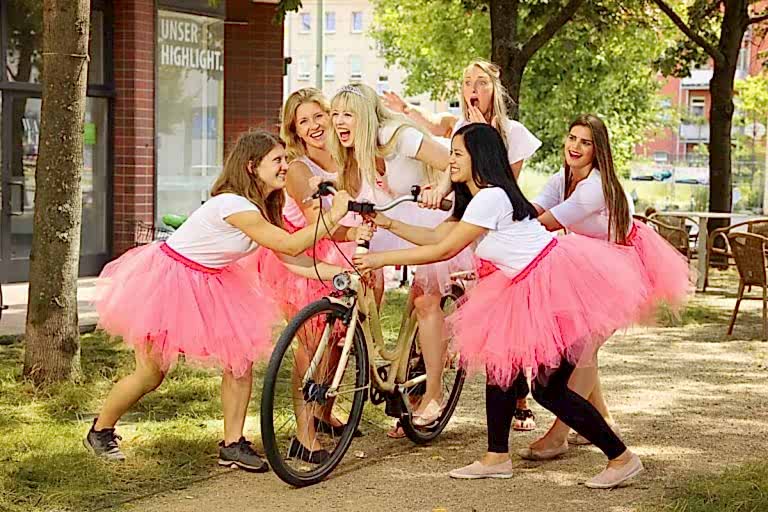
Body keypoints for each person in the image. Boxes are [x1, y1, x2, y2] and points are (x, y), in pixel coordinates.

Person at [354, 123, 646, 488]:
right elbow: (435, 235)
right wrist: (386, 221)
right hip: (524, 284)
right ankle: (496, 456)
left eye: (457, 154)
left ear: (480, 157)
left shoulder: (491, 198)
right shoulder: (479, 200)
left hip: (551, 289)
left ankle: (621, 458)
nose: (451, 161)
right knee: (500, 366)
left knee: (548, 389)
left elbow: (444, 250)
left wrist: (381, 260)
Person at [85, 130, 358, 472]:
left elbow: (291, 259)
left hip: (211, 281)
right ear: (251, 166)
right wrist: (333, 216)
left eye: (285, 159)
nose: (285, 166)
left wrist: (337, 272)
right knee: (151, 374)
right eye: (277, 160)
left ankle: (232, 444)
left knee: (239, 361)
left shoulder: (261, 208)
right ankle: (100, 430)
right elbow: (290, 246)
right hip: (170, 282)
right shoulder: (234, 205)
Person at [385, 60, 542, 430]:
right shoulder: (457, 128)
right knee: (423, 302)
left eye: (481, 82)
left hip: (491, 226)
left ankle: (519, 398)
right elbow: (442, 150)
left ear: (495, 89)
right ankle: (421, 396)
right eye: (467, 81)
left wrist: (481, 137)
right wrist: (438, 189)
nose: (473, 88)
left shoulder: (511, 133)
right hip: (460, 219)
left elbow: (502, 184)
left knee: (502, 319)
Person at [524, 114, 690, 458]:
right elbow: (534, 207)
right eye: (572, 138)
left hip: (621, 270)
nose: (575, 146)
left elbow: (546, 223)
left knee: (583, 350)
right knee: (586, 348)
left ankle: (560, 434)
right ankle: (602, 418)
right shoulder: (564, 177)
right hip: (590, 266)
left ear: (597, 150)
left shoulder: (594, 188)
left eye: (585, 142)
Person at [328, 83, 476, 437]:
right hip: (392, 219)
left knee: (426, 303)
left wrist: (438, 188)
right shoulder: (351, 151)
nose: (338, 122)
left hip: (432, 216)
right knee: (360, 275)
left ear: (365, 116)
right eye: (335, 114)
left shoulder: (399, 136)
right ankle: (386, 368)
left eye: (347, 114)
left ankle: (433, 396)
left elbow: (452, 163)